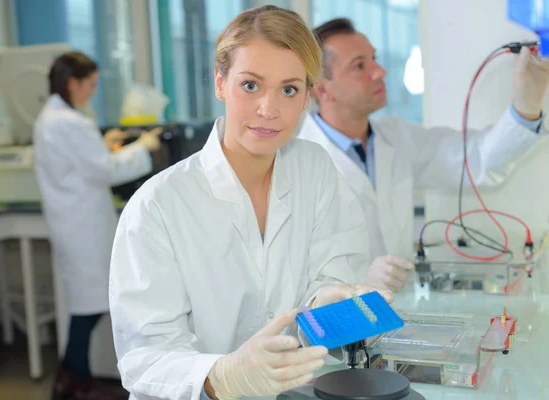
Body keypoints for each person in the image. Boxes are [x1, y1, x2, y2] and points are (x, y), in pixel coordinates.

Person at [108, 6, 392, 400]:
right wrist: (223, 375)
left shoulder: (314, 168)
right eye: (251, 85)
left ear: (309, 95)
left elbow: (329, 272)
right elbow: (144, 357)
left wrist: (326, 298)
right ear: (220, 82)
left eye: (289, 89)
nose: (268, 109)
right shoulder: (158, 207)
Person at [297, 18, 549, 292]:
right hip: (335, 326)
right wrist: (353, 284)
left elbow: (475, 161)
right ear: (321, 88)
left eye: (375, 59)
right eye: (360, 65)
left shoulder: (396, 138)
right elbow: (289, 275)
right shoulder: (295, 161)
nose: (380, 71)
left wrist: (527, 104)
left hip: (398, 312)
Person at [33, 51, 163, 400]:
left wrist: (102, 145)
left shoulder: (53, 118)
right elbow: (104, 170)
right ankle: (72, 380)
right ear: (72, 83)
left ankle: (75, 377)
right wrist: (143, 146)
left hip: (74, 222)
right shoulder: (69, 122)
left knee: (87, 304)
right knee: (89, 306)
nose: (92, 92)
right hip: (83, 226)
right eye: (90, 85)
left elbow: (80, 162)